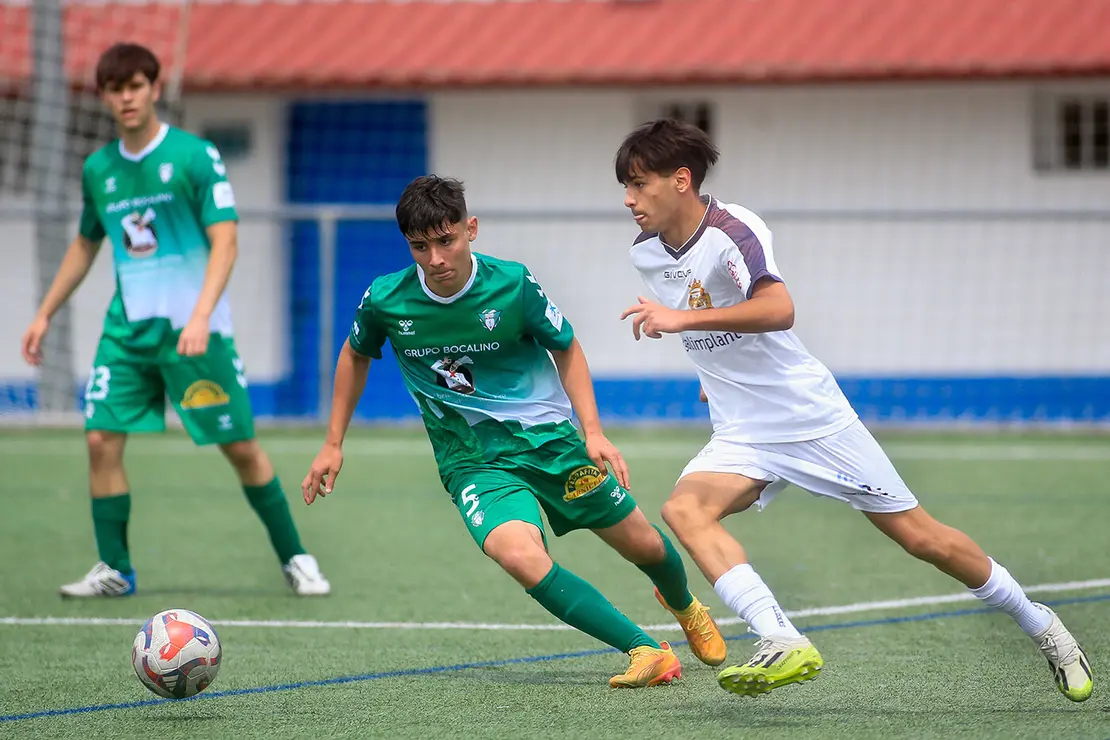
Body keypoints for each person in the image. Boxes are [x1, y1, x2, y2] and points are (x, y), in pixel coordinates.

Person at [614, 118, 1092, 702]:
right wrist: (709, 373)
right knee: (684, 510)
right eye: (626, 187)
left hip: (809, 417)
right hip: (744, 428)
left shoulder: (733, 230)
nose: (629, 199)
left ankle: (1041, 624)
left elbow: (778, 307)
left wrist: (686, 323)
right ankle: (779, 637)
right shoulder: (646, 254)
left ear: (680, 180)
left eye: (639, 184)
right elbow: (701, 310)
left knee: (923, 540)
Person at [302, 174, 726, 688]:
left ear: (470, 229)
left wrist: (592, 431)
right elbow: (354, 354)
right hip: (472, 460)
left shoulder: (513, 284)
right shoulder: (386, 299)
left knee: (645, 546)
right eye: (420, 246)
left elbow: (565, 347)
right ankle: (644, 648)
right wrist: (332, 443)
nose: (435, 258)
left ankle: (683, 603)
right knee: (517, 554)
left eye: (446, 240)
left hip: (550, 444)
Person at [20, 43, 329, 597]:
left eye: (135, 86)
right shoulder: (98, 169)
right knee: (99, 440)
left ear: (155, 88)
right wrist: (44, 313)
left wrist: (201, 315)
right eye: (115, 89)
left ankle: (296, 557)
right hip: (128, 333)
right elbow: (86, 244)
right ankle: (115, 568)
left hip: (196, 333)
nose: (126, 98)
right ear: (105, 98)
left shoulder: (193, 156)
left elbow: (226, 240)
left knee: (240, 448)